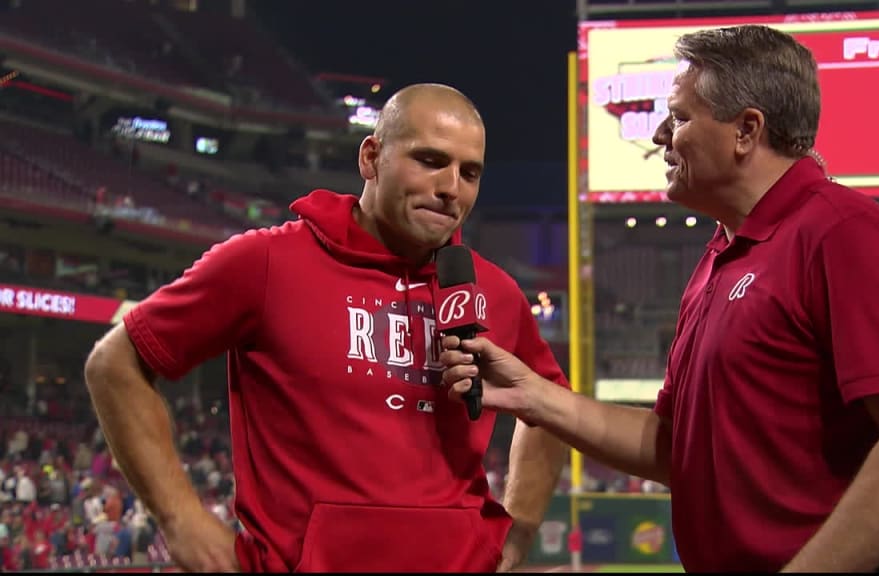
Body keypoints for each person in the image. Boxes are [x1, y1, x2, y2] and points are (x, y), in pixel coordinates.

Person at [440, 25, 879, 572]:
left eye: (681, 117)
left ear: (746, 130)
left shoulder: (840, 230)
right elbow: (676, 448)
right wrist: (535, 397)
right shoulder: (723, 252)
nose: (661, 135)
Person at [84, 83, 569, 572]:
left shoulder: (496, 292)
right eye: (429, 160)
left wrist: (521, 523)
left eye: (470, 172)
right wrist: (179, 517)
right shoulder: (268, 261)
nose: (451, 188)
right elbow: (114, 364)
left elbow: (552, 409)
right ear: (371, 157)